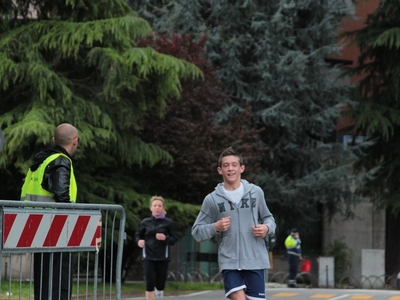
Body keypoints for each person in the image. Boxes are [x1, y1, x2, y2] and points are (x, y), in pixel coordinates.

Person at [192, 147, 276, 300]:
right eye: (226, 165)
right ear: (220, 170)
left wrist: (266, 227)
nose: (230, 168)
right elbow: (196, 231)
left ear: (241, 168)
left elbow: (269, 218)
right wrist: (215, 227)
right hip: (229, 262)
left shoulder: (256, 192)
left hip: (254, 261)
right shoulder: (212, 199)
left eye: (234, 165)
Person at [20, 123, 79, 300]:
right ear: (75, 141)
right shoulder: (61, 161)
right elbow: (62, 194)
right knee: (58, 281)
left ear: (54, 140)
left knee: (44, 281)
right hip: (57, 230)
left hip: (38, 228)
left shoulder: (40, 161)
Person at [135, 196, 179, 300]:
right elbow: (137, 235)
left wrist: (165, 238)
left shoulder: (169, 223)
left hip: (162, 256)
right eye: (155, 205)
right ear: (151, 208)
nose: (157, 208)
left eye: (159, 206)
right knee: (149, 282)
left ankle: (159, 291)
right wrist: (139, 241)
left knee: (160, 283)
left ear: (163, 208)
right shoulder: (145, 222)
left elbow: (174, 239)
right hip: (148, 255)